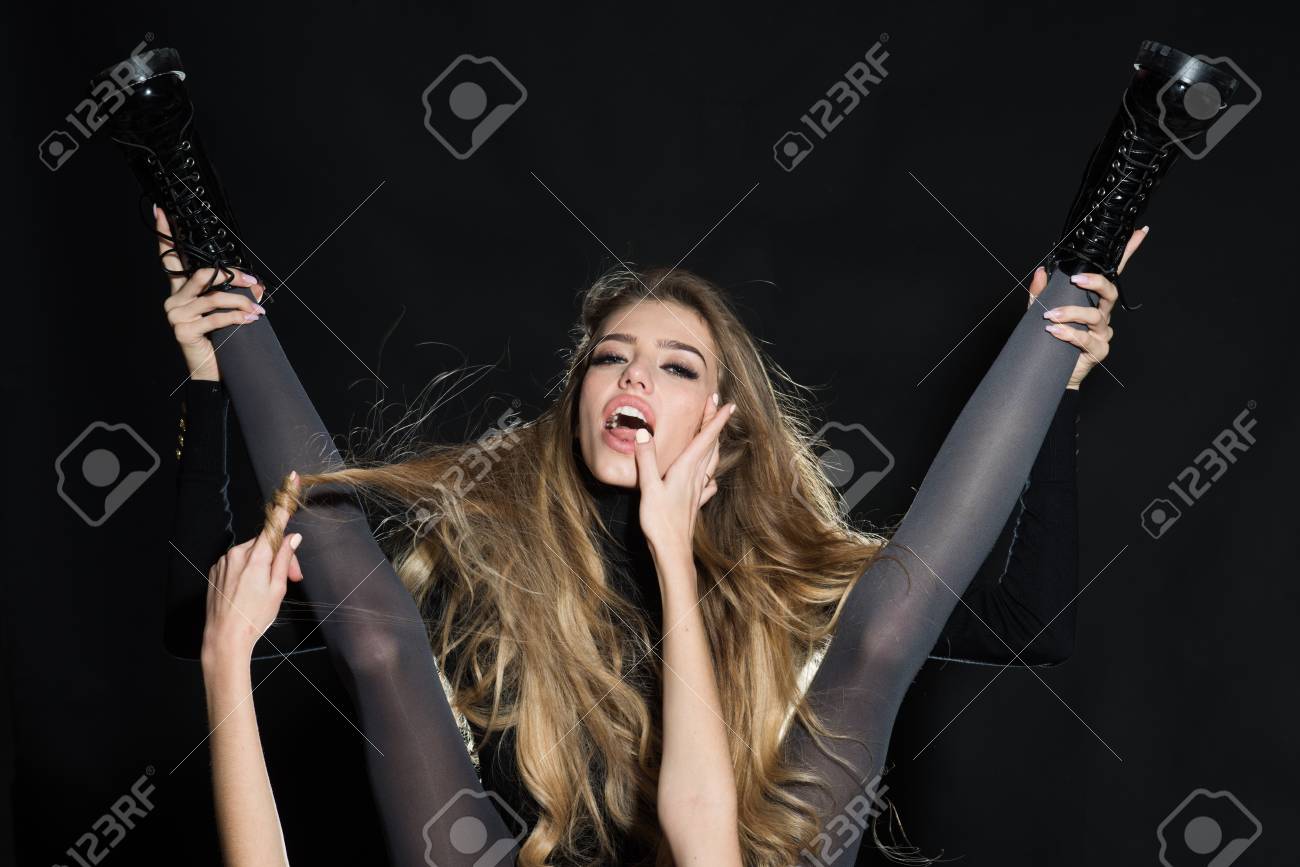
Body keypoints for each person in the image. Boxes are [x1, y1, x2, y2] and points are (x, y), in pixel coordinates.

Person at [160, 205, 1146, 866]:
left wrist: (1054, 393)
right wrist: (208, 384)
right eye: (610, 358)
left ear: (724, 426)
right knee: (378, 638)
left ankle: (1078, 274)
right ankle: (219, 271)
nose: (632, 376)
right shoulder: (480, 566)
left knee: (881, 632)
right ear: (577, 401)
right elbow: (203, 608)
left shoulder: (785, 585)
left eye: (676, 367)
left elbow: (1028, 621)